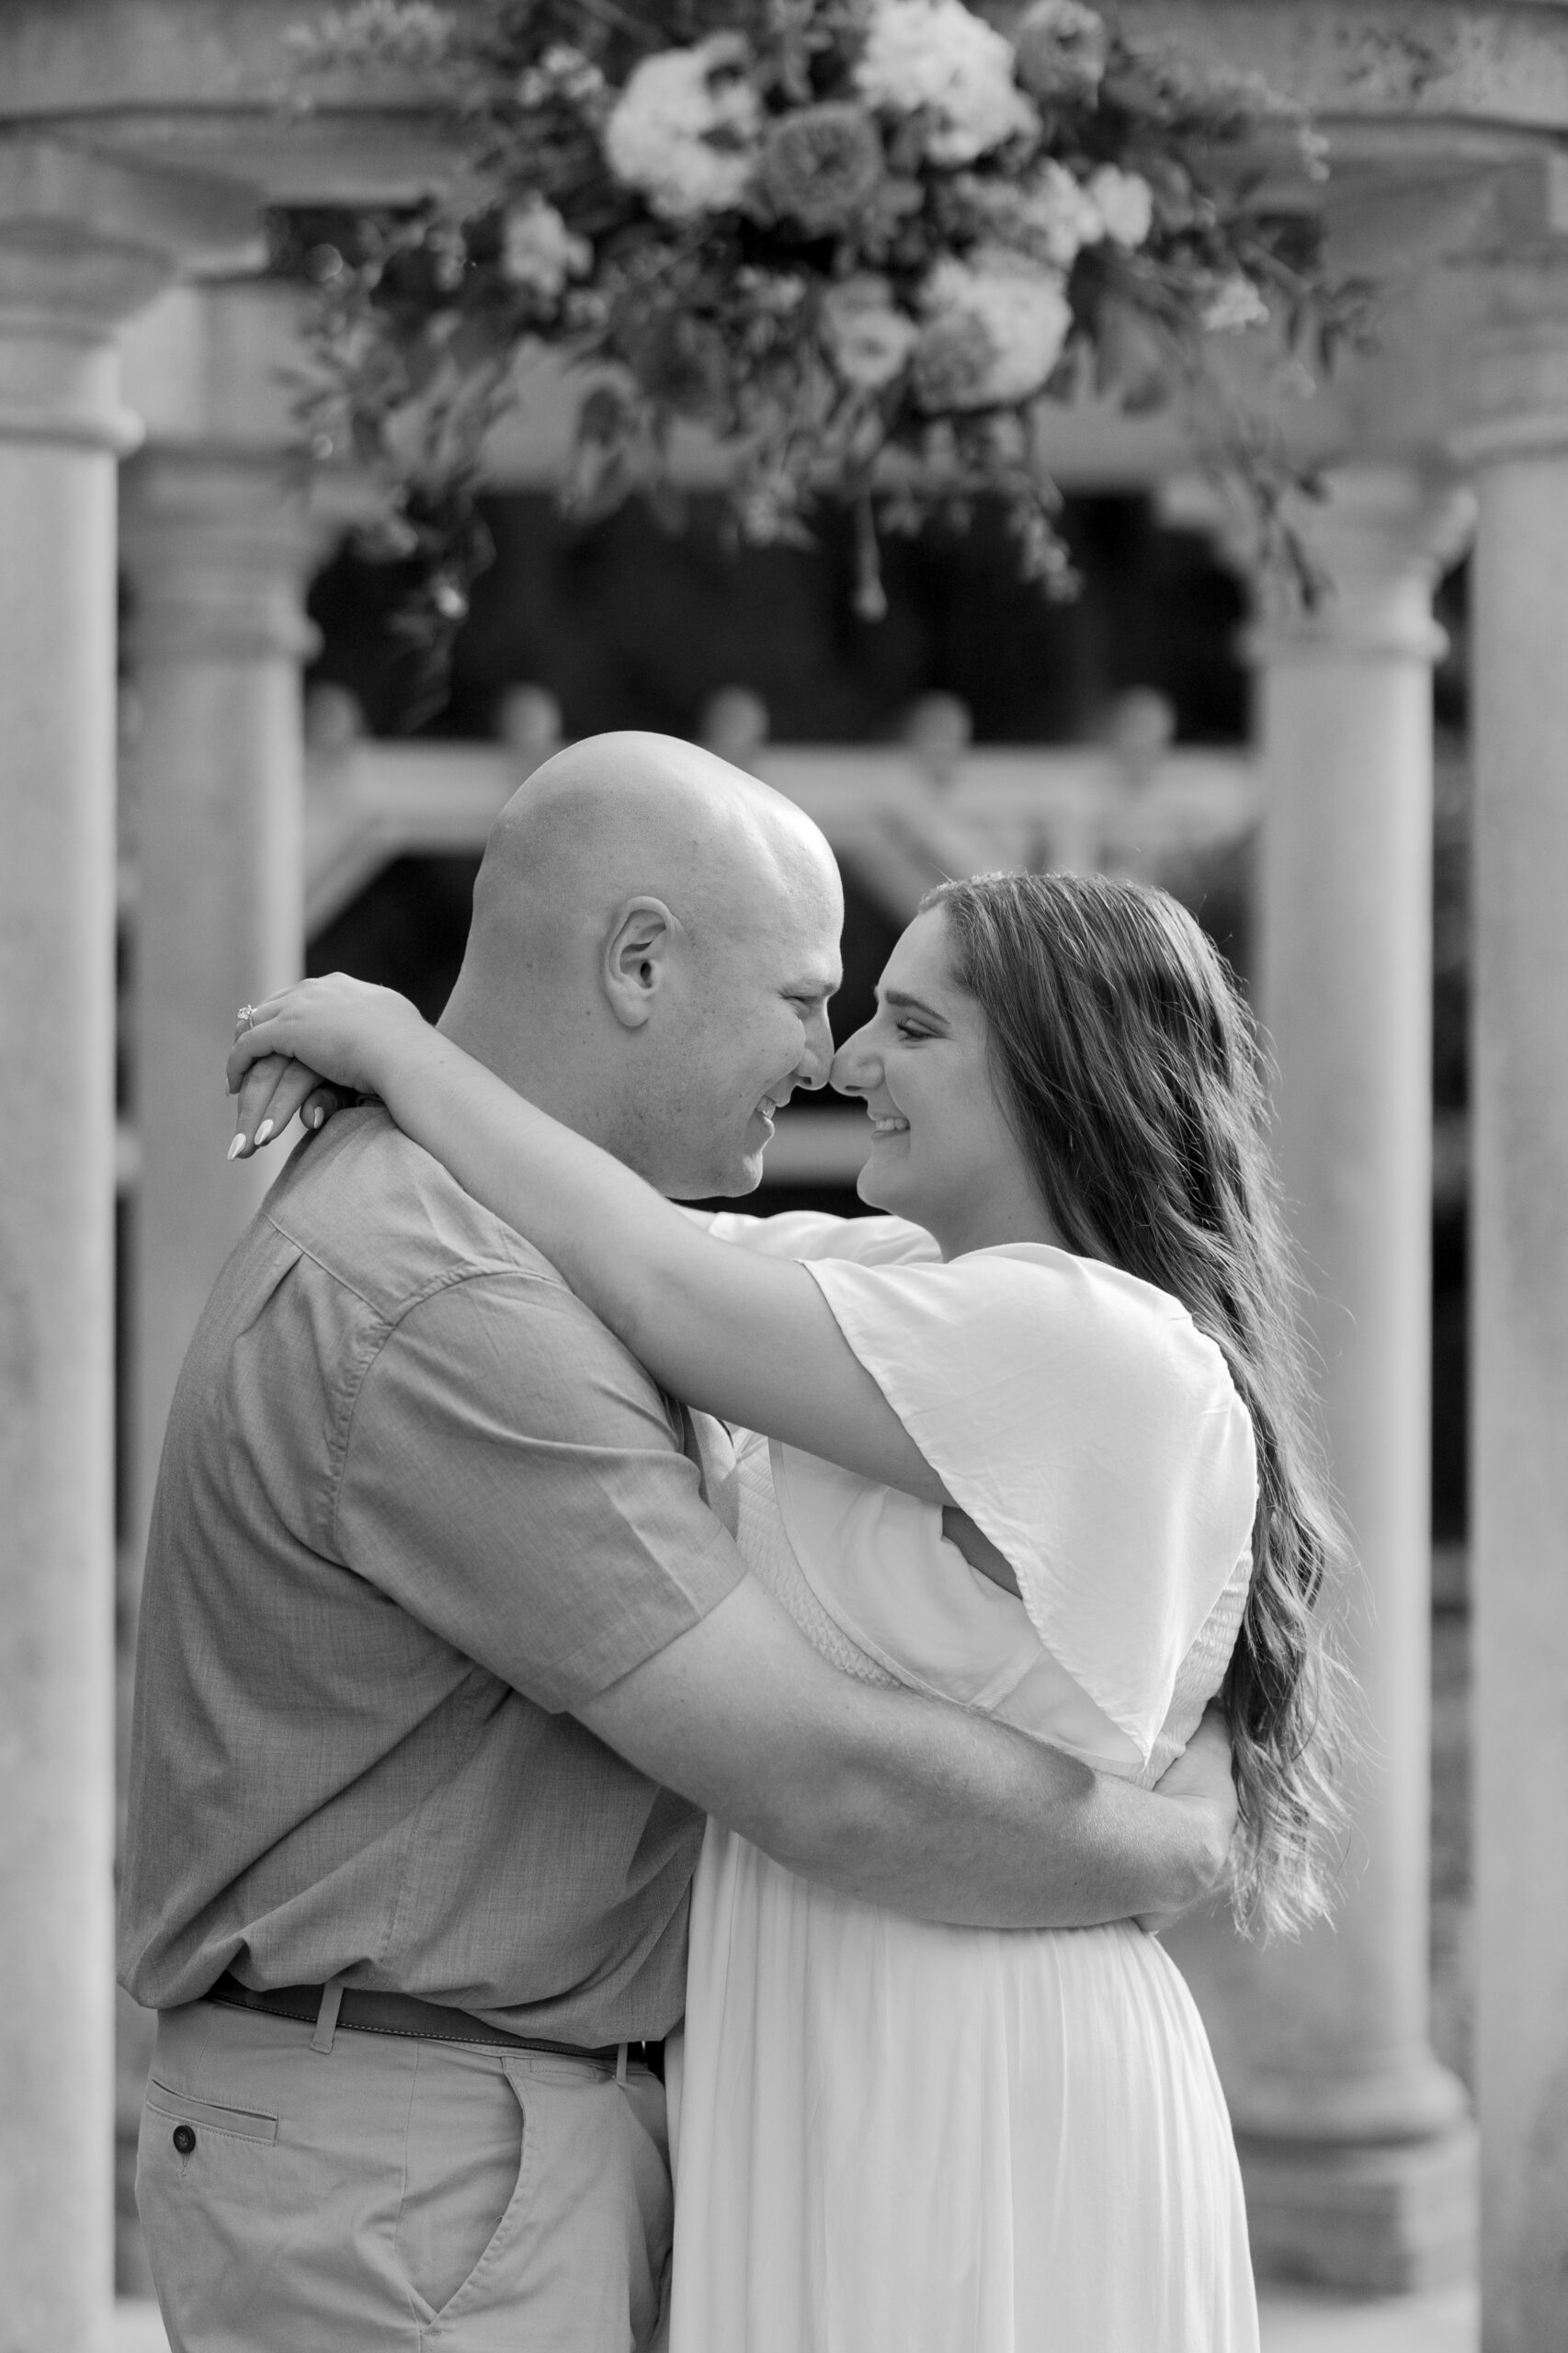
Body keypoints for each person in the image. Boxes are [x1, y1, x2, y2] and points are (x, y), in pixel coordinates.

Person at [122, 733, 1241, 2353]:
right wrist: (1172, 1845)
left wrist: (402, 1057)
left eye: (901, 1021)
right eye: (810, 996)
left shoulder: (959, 1320)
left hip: (669, 2099)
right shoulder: (455, 1295)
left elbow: (668, 1276)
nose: (834, 1055)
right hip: (430, 2154)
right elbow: (814, 1776)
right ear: (639, 962)